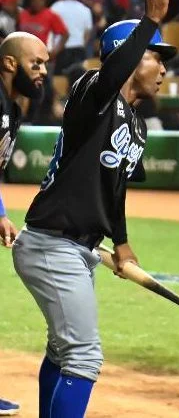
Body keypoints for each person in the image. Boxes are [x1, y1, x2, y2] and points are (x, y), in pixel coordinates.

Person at [13, 0, 178, 418]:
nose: (164, 68)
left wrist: (121, 242)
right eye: (155, 57)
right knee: (84, 358)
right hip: (52, 243)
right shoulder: (91, 91)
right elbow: (110, 76)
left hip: (78, 247)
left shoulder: (137, 125)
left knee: (61, 351)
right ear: (128, 58)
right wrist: (150, 21)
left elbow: (114, 188)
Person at [0, 31, 51, 418]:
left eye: (47, 64)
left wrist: (0, 211)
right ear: (9, 63)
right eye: (36, 63)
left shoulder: (12, 108)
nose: (44, 72)